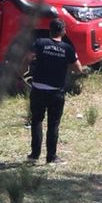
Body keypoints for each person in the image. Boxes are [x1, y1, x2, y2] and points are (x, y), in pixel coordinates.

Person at [25, 17, 80, 164]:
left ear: (50, 30)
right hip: (56, 92)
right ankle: (51, 157)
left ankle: (34, 156)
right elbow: (78, 68)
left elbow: (28, 57)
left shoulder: (40, 43)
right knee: (53, 124)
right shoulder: (67, 48)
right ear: (63, 31)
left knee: (36, 121)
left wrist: (22, 71)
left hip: (38, 89)